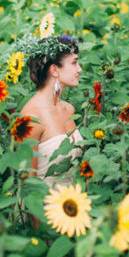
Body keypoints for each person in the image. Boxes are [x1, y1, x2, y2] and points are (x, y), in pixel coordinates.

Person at [19, 35, 84, 187]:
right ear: (54, 69)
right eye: (74, 63)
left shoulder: (68, 109)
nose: (79, 69)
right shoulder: (30, 117)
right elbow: (27, 183)